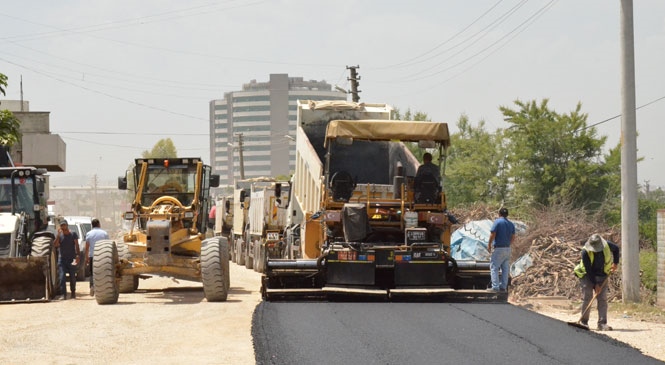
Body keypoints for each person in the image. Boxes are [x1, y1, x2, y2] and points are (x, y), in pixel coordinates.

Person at [573, 234, 620, 331]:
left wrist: (615, 263)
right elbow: (589, 270)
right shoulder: (585, 252)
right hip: (587, 275)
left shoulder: (606, 245)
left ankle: (602, 324)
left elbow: (616, 249)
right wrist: (595, 285)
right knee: (588, 297)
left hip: (603, 275)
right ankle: (584, 322)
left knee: (602, 299)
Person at [487, 207, 515, 293]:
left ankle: (495, 287)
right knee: (505, 268)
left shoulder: (497, 222)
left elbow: (493, 234)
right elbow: (513, 237)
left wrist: (489, 244)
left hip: (499, 248)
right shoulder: (511, 224)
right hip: (507, 248)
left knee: (494, 267)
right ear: (507, 215)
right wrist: (508, 244)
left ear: (499, 214)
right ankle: (503, 287)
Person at [53, 220, 80, 299]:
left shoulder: (73, 234)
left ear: (67, 225)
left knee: (72, 277)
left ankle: (73, 292)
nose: (63, 227)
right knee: (62, 277)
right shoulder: (60, 236)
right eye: (62, 225)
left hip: (72, 258)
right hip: (62, 259)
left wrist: (78, 255)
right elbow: (55, 245)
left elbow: (77, 245)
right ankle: (63, 294)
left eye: (64, 225)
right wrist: (58, 235)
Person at [84, 218, 109, 296]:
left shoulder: (89, 234)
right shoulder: (104, 233)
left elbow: (87, 246)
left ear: (92, 225)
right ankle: (103, 288)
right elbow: (107, 245)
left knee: (92, 273)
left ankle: (92, 286)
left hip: (92, 256)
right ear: (99, 224)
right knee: (103, 272)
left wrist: (86, 257)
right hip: (103, 256)